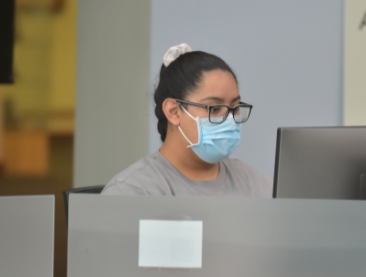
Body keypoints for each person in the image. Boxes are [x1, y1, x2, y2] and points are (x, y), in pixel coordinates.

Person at [102, 43, 272, 197]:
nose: (229, 120)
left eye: (234, 108)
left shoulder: (257, 185)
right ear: (174, 111)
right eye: (214, 109)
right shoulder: (133, 191)